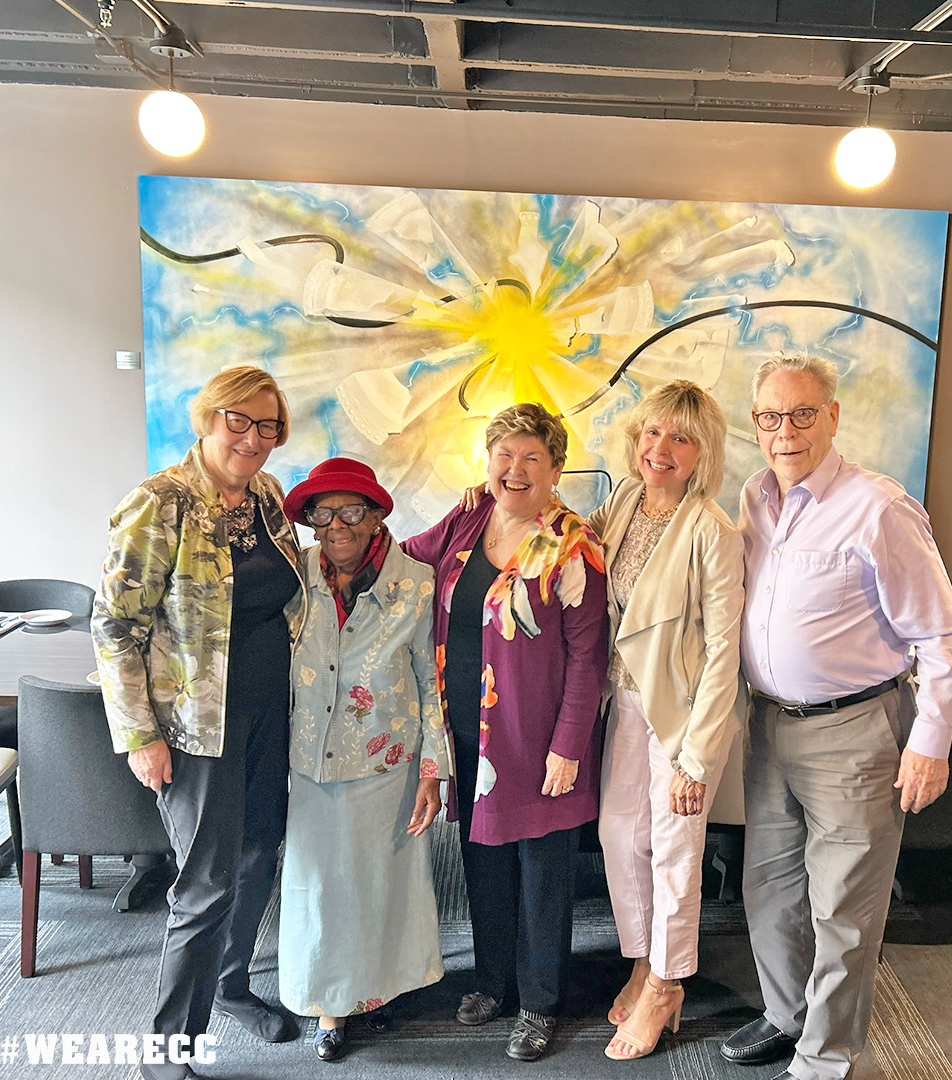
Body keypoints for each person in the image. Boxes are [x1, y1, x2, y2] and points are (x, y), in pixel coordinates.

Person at [720, 355, 952, 1080]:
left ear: (831, 417)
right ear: (756, 423)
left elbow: (944, 636)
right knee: (767, 890)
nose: (786, 431)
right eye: (771, 416)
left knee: (843, 909)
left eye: (803, 414)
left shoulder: (878, 507)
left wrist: (930, 743)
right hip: (769, 727)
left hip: (857, 733)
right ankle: (785, 1016)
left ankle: (825, 1058)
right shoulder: (754, 497)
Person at [92, 366, 305, 1080]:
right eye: (238, 421)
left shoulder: (267, 495)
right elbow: (114, 624)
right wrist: (139, 735)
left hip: (268, 710)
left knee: (257, 857)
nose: (252, 437)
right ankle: (167, 1051)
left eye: (267, 425)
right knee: (207, 882)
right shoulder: (159, 504)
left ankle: (232, 984)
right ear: (208, 420)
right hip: (195, 724)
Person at [403, 402, 608, 1062]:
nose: (514, 469)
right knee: (482, 864)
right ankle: (492, 982)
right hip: (468, 735)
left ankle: (540, 1002)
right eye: (504, 455)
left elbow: (588, 657)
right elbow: (404, 562)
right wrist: (343, 532)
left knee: (542, 876)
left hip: (538, 741)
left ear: (554, 468)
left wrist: (569, 746)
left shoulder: (572, 544)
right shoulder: (466, 519)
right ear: (487, 459)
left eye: (531, 458)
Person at [586, 380, 745, 1061]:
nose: (661, 448)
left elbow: (723, 653)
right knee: (620, 836)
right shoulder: (621, 501)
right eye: (653, 432)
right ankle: (646, 959)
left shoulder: (713, 529)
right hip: (623, 703)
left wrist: (697, 758)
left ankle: (666, 982)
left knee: (676, 851)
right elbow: (568, 541)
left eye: (680, 437)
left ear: (702, 453)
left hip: (680, 718)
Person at [277, 457, 449, 1062]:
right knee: (319, 885)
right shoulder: (292, 578)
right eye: (323, 513)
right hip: (310, 757)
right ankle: (330, 1006)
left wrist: (434, 770)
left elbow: (434, 681)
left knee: (381, 881)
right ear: (310, 521)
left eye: (353, 510)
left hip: (387, 758)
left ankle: (378, 990)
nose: (337, 525)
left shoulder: (418, 582)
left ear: (376, 516)